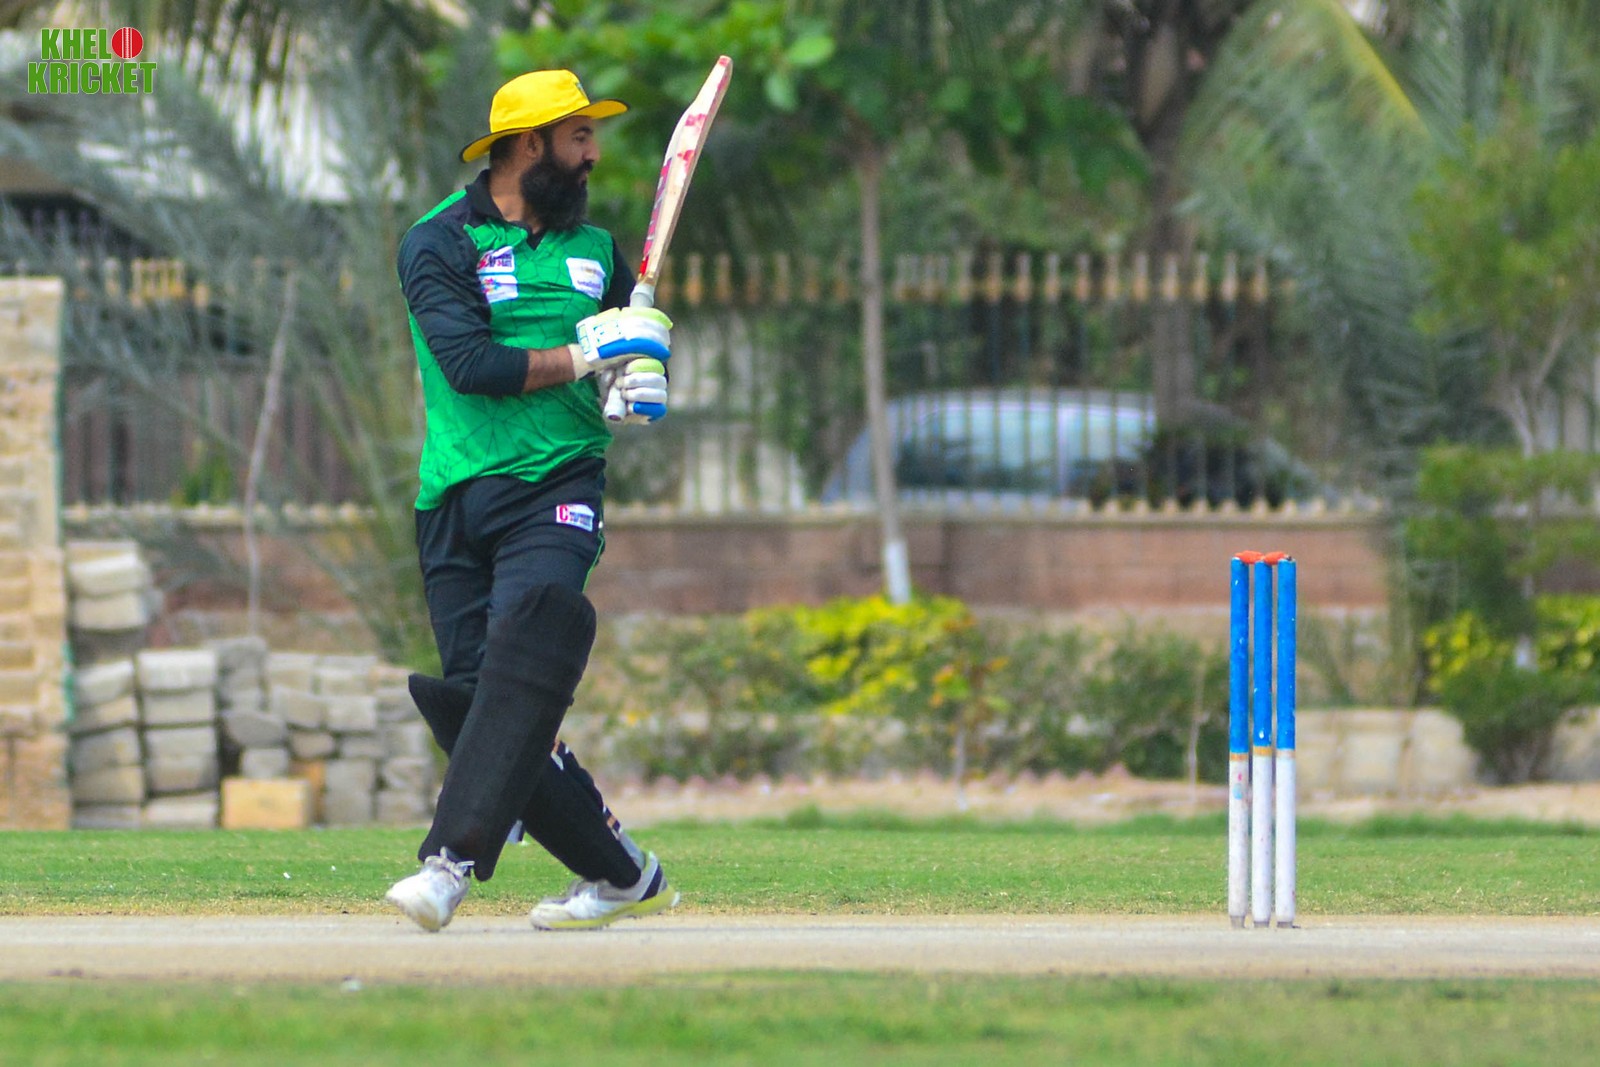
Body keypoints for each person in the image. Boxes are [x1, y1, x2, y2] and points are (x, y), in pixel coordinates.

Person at [384, 69, 678, 933]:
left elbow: (626, 351)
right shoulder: (438, 241)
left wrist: (636, 380)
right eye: (578, 136)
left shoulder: (599, 251)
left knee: (529, 644)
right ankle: (623, 873)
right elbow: (472, 366)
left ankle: (448, 863)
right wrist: (592, 356)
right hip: (456, 492)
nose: (592, 153)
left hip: (559, 482)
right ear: (527, 144)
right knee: (487, 706)